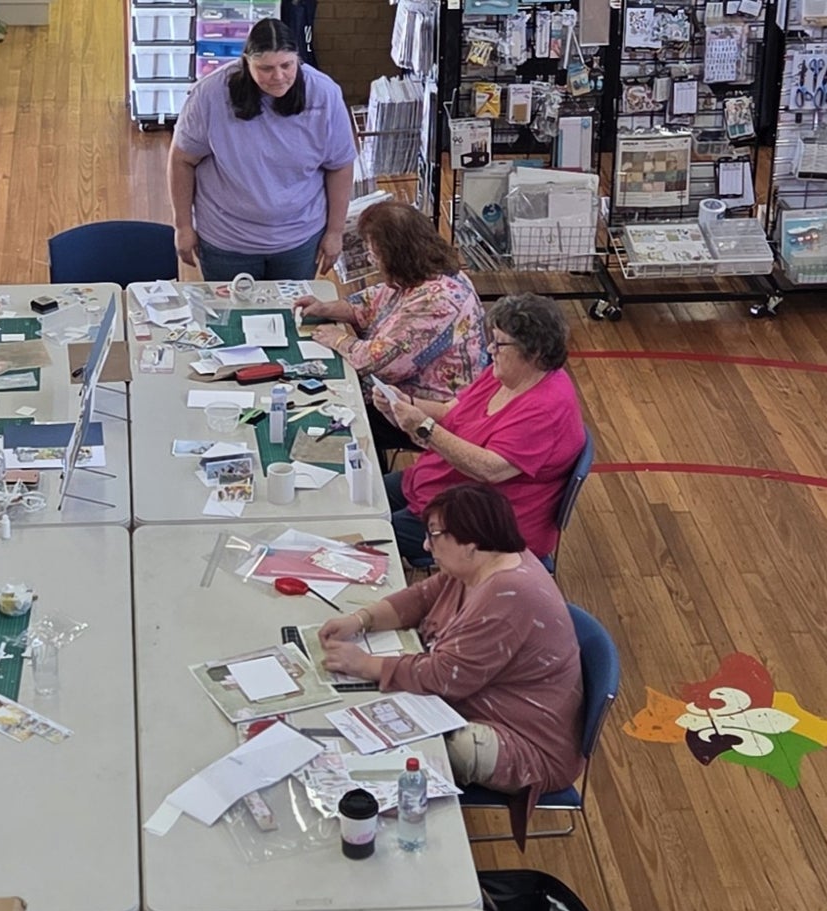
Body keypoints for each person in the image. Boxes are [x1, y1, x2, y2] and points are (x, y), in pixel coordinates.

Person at [319, 483, 581, 796]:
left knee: (429, 746)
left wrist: (365, 664)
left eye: (435, 534)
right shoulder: (484, 562)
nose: (427, 546)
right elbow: (421, 597)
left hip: (524, 740)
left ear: (471, 543)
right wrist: (361, 619)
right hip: (478, 702)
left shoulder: (508, 594)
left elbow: (446, 676)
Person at [377, 292, 586, 565]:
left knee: (365, 537)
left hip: (480, 522)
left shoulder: (545, 408)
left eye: (499, 344)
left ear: (533, 352)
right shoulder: (505, 374)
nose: (490, 350)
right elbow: (452, 410)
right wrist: (407, 403)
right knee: (352, 503)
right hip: (440, 484)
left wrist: (424, 427)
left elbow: (490, 469)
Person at [168, 19, 355, 281]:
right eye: (265, 68)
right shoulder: (209, 95)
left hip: (299, 239)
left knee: (291, 315)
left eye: (287, 65)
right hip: (226, 241)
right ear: (246, 63)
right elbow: (181, 160)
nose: (278, 77)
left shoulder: (325, 94)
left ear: (298, 59)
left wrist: (335, 231)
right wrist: (183, 226)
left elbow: (340, 165)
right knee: (231, 317)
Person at [294, 201, 487, 453]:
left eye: (374, 254)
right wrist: (326, 308)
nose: (371, 260)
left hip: (428, 410)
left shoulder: (437, 301)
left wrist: (338, 339)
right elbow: (372, 302)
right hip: (405, 393)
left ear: (396, 255)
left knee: (329, 423)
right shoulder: (425, 273)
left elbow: (379, 363)